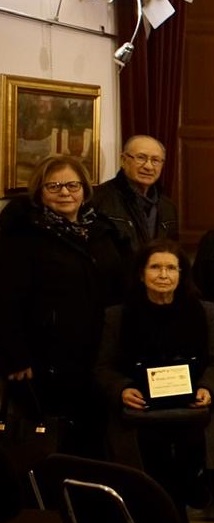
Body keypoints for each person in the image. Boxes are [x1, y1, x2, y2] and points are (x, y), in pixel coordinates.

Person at [0, 154, 129, 458]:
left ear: (84, 189)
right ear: (40, 192)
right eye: (54, 186)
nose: (65, 192)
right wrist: (15, 355)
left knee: (96, 434)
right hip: (46, 357)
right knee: (52, 440)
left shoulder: (102, 230)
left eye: (72, 185)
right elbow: (6, 299)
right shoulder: (23, 235)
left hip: (99, 351)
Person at [95, 240, 214, 512]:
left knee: (190, 441)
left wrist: (208, 388)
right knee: (150, 445)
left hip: (191, 406)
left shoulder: (203, 311)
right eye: (155, 267)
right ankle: (162, 508)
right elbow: (103, 367)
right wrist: (122, 389)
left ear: (181, 274)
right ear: (141, 274)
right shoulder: (117, 316)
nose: (163, 275)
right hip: (140, 409)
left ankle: (180, 498)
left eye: (171, 268)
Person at [90, 135, 179, 254]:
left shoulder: (168, 207)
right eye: (141, 158)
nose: (148, 166)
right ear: (123, 160)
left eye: (155, 160)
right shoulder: (98, 199)